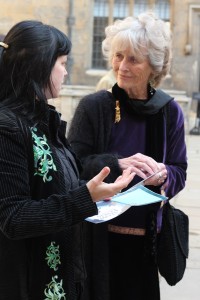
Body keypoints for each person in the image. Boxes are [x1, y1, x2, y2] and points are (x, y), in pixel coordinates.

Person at [0, 21, 135, 300]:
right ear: (40, 66)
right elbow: (13, 217)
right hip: (30, 283)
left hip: (65, 275)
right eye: (62, 63)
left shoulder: (43, 121)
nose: (66, 71)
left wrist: (99, 194)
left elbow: (56, 188)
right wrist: (84, 198)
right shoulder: (7, 127)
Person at [68, 12, 187, 300]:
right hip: (97, 241)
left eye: (133, 59)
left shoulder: (169, 112)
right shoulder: (94, 107)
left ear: (153, 66)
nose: (122, 66)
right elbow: (71, 168)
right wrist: (115, 163)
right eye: (118, 56)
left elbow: (179, 171)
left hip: (146, 244)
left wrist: (163, 175)